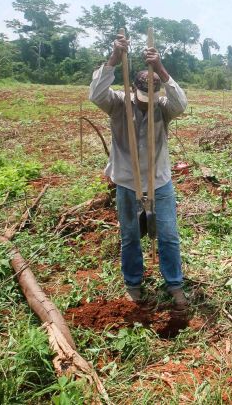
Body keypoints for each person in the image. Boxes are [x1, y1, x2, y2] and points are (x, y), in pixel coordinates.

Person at [89, 32, 188, 309]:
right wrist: (113, 58)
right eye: (143, 96)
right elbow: (95, 93)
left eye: (151, 97)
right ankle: (133, 284)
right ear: (133, 90)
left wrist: (161, 69)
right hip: (128, 182)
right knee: (130, 236)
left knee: (167, 235)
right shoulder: (119, 103)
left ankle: (174, 284)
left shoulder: (162, 106)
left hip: (159, 181)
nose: (147, 101)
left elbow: (181, 103)